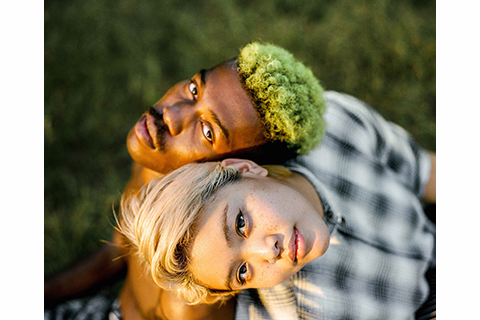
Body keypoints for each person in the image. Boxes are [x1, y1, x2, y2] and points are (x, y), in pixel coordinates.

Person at [45, 42, 329, 319]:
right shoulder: (157, 158)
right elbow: (117, 250)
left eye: (207, 132)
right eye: (194, 90)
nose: (171, 113)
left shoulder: (204, 280)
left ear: (241, 168)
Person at [117, 88, 436, 319]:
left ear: (245, 169)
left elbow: (428, 173)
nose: (267, 252)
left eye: (241, 224)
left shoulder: (335, 129)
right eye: (242, 272)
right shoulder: (298, 313)